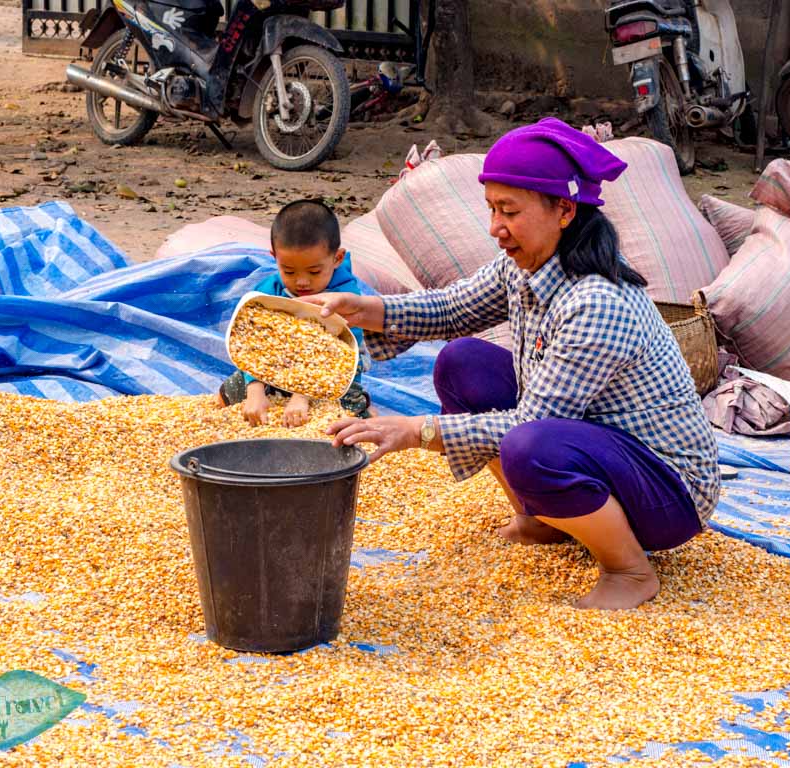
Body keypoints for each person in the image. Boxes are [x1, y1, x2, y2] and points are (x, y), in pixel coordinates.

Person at [301, 118, 720, 611]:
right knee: (462, 363)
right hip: (596, 442)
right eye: (491, 209)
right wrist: (365, 309)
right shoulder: (525, 264)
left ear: (564, 210)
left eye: (509, 211)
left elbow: (531, 423)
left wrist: (415, 431)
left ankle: (629, 569)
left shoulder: (598, 302)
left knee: (530, 444)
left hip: (667, 493)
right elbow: (451, 309)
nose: (496, 227)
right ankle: (543, 518)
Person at [218, 199, 372, 427]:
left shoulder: (345, 297)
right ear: (275, 258)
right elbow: (252, 347)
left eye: (314, 271)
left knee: (347, 412)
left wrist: (302, 396)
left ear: (337, 258)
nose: (301, 281)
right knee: (225, 397)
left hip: (329, 373)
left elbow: (337, 356)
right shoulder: (267, 293)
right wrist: (255, 389)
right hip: (274, 368)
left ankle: (367, 408)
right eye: (288, 270)